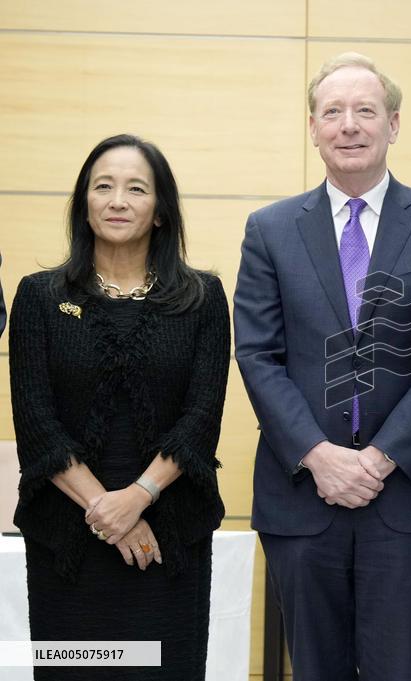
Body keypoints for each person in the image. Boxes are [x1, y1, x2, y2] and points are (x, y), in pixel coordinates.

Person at [234, 52, 411, 681]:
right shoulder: (269, 230)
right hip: (302, 496)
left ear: (393, 124)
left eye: (366, 111)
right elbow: (258, 355)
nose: (349, 125)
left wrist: (378, 459)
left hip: (409, 496)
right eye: (333, 112)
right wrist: (318, 456)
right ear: (312, 128)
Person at [8, 134, 230, 680]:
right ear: (84, 203)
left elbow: (201, 420)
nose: (117, 201)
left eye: (136, 189)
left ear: (160, 210)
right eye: (103, 187)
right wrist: (108, 514)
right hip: (67, 544)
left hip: (168, 541)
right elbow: (36, 423)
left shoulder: (202, 298)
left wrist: (138, 497)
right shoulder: (40, 296)